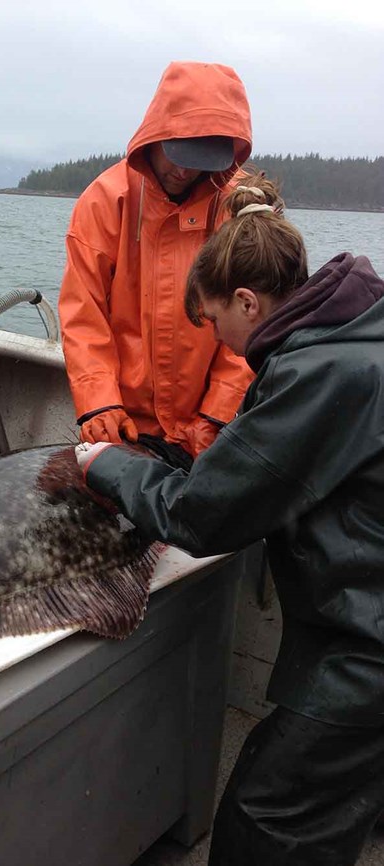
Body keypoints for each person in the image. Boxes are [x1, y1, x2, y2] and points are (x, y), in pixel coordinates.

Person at [75, 173, 384, 865]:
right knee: (335, 802)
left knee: (265, 821)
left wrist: (103, 464)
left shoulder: (318, 376)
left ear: (247, 300)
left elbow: (200, 515)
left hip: (369, 643)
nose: (219, 341)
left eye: (213, 323)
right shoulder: (357, 336)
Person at [59, 60, 254, 467]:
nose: (183, 169)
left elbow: (256, 321)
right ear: (155, 134)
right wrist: (99, 405)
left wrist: (218, 413)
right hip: (123, 421)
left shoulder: (242, 210)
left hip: (212, 425)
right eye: (177, 152)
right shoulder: (103, 201)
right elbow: (83, 315)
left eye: (199, 157)